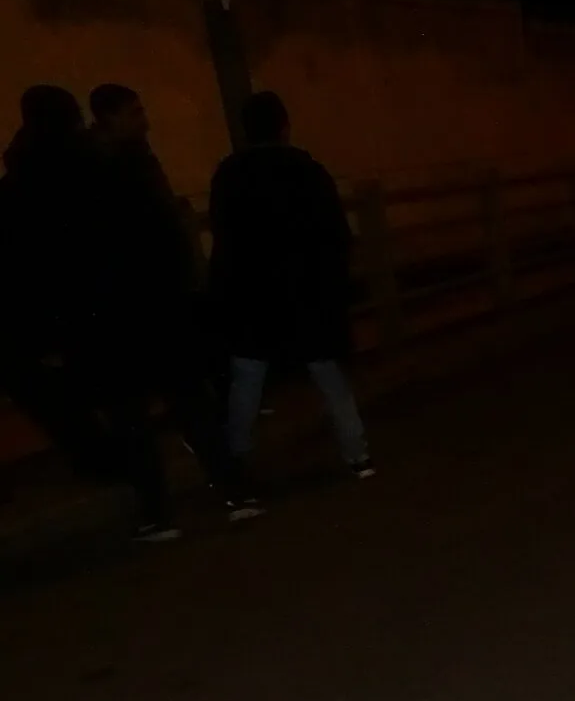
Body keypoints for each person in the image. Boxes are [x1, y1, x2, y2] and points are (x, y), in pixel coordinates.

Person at [81, 83, 255, 537]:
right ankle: (222, 491)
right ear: (110, 117)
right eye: (134, 112)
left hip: (137, 308)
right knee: (176, 405)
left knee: (155, 411)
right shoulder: (117, 166)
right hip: (142, 306)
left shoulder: (123, 160)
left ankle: (173, 507)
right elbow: (156, 233)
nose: (145, 120)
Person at [209, 91, 371, 482]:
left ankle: (237, 458)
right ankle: (357, 454)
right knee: (329, 375)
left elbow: (225, 238)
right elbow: (335, 234)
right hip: (306, 292)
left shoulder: (230, 175)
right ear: (284, 126)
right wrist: (336, 285)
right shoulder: (308, 171)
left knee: (248, 377)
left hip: (253, 294)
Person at [0, 86, 120, 491]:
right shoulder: (92, 164)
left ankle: (98, 457)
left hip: (46, 306)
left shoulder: (19, 176)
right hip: (95, 295)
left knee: (53, 392)